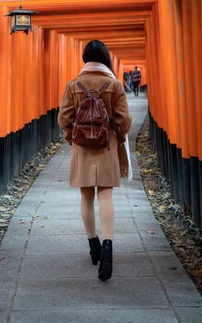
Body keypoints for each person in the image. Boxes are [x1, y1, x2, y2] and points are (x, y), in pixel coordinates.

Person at [58, 40, 132, 281]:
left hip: (82, 147)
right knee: (106, 196)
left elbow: (64, 118)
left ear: (85, 58)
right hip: (106, 145)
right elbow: (124, 120)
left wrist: (73, 139)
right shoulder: (114, 84)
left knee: (86, 196)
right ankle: (108, 247)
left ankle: (93, 245)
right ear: (105, 58)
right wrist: (115, 138)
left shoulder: (73, 85)